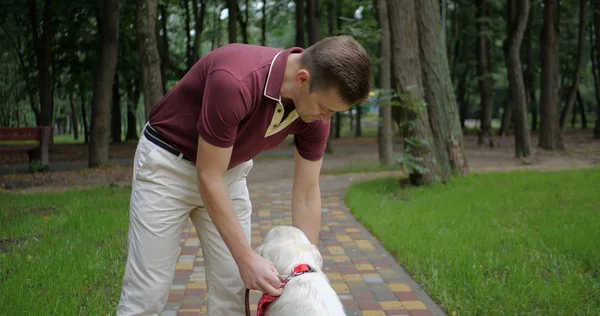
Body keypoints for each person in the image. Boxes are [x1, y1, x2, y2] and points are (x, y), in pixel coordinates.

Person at [116, 35, 372, 316]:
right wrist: (246, 258)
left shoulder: (314, 113)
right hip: (167, 167)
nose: (326, 120)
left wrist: (304, 268)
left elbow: (307, 193)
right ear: (302, 79)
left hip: (228, 173)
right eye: (325, 108)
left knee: (232, 292)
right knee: (148, 295)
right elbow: (208, 175)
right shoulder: (235, 80)